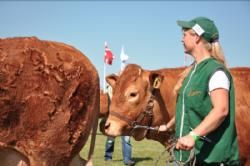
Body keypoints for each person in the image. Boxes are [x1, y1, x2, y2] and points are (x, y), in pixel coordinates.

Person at [158, 16, 240, 165]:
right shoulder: (192, 72)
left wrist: (193, 136)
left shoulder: (215, 71)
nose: (181, 39)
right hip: (186, 156)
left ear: (196, 37)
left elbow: (221, 110)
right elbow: (187, 107)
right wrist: (168, 126)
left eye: (184, 34)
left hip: (211, 158)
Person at [104, 85, 135, 166]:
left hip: (125, 120)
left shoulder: (128, 92)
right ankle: (108, 156)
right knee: (111, 140)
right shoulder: (113, 91)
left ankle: (127, 160)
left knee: (126, 140)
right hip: (114, 119)